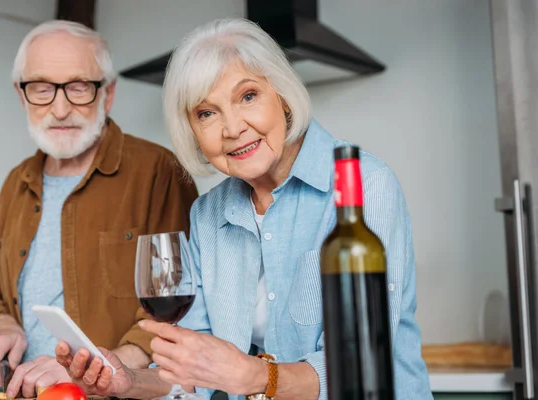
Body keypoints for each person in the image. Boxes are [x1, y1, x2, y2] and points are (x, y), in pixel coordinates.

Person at [56, 17, 432, 400]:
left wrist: (256, 376)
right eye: (206, 113)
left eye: (247, 96)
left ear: (281, 94)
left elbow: (362, 361)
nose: (232, 128)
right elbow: (195, 374)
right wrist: (129, 381)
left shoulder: (364, 186)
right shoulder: (207, 215)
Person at [0, 20, 198, 398]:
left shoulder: (160, 172)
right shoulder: (15, 185)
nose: (59, 108)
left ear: (107, 94)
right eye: (41, 88)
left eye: (78, 88)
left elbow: (180, 309)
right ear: (22, 96)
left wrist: (101, 369)